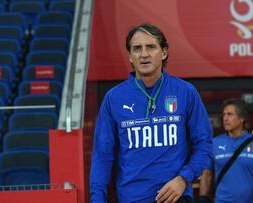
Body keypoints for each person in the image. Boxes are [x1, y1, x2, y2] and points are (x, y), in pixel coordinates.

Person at [89, 23, 213, 203]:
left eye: (151, 47)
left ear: (164, 52)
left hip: (175, 197)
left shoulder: (186, 92)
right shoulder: (114, 98)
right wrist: (97, 199)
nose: (144, 54)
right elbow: (102, 154)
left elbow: (205, 145)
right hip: (132, 198)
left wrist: (184, 178)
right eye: (137, 49)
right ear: (130, 56)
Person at [198, 98, 253, 203]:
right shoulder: (215, 143)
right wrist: (203, 198)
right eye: (224, 115)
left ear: (242, 118)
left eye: (230, 114)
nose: (225, 118)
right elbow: (207, 175)